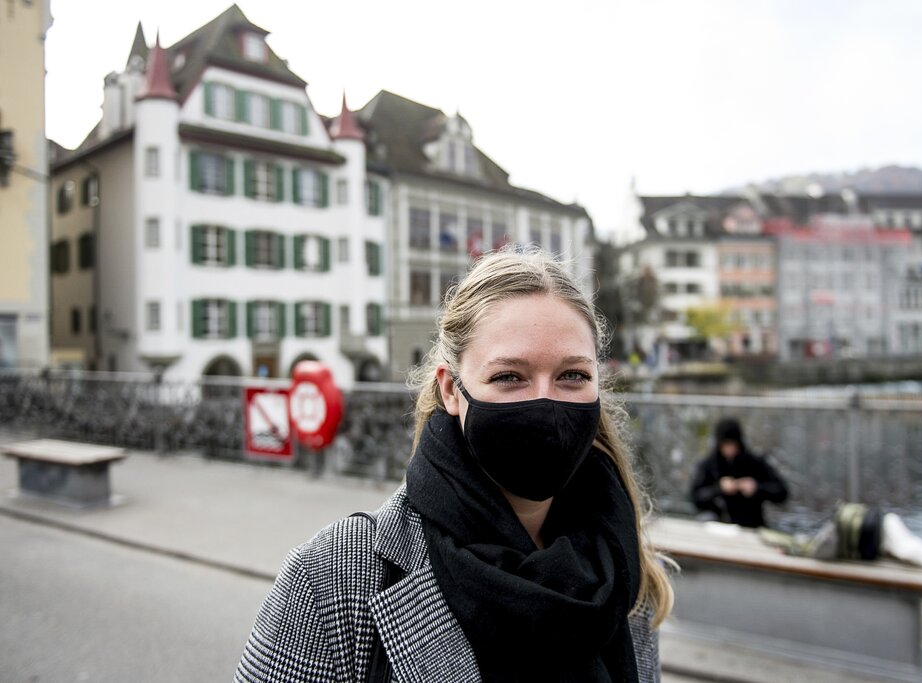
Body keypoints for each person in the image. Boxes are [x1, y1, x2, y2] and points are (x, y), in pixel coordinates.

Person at [235, 248, 673, 682]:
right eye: (508, 377)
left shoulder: (626, 568)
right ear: (451, 390)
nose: (546, 402)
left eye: (572, 376)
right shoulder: (331, 579)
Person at [689, 417, 788, 528]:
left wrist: (757, 487)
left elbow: (781, 492)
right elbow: (695, 497)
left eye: (733, 444)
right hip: (719, 524)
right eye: (725, 445)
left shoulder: (755, 462)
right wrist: (719, 489)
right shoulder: (710, 464)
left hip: (750, 525)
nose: (730, 449)